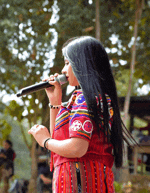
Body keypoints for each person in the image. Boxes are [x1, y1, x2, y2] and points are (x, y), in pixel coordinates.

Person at [28, 36, 124, 192]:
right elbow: (60, 141)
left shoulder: (86, 99)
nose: (63, 70)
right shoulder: (85, 98)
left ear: (83, 64)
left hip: (81, 181)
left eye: (67, 63)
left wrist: (44, 141)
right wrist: (55, 101)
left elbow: (77, 148)